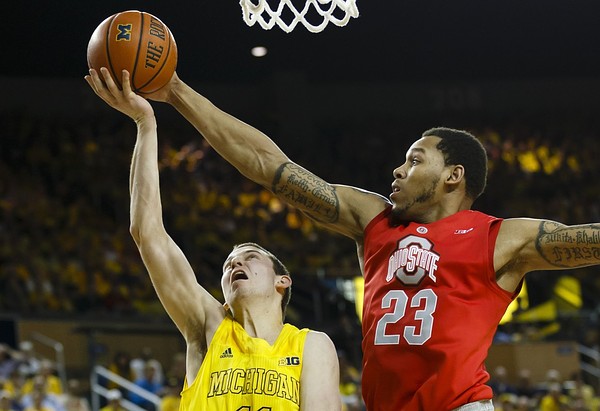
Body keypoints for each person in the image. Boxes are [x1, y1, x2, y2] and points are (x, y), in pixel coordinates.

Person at [112, 68, 600, 411]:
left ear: (454, 175)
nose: (398, 169)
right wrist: (175, 91)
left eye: (415, 159)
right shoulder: (374, 220)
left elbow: (585, 239)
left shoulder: (500, 238)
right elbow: (269, 166)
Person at [84, 68, 341, 411]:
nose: (235, 262)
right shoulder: (208, 326)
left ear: (283, 280)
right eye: (228, 264)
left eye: (250, 257)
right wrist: (146, 124)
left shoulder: (311, 345)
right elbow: (147, 233)